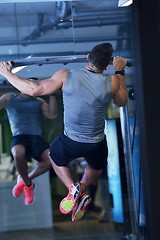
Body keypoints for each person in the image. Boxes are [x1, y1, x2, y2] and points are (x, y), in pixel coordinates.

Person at [0, 43, 128, 220]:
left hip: (71, 141)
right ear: (107, 66)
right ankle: (81, 187)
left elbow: (34, 89)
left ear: (87, 57)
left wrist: (7, 73)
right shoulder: (112, 81)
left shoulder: (66, 75)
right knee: (97, 167)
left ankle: (73, 188)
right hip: (96, 142)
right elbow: (122, 102)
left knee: (53, 156)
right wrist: (120, 72)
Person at [0, 88, 58, 205]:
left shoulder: (39, 101)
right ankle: (27, 185)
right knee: (18, 154)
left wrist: (52, 94)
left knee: (51, 159)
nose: (32, 87)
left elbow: (52, 115)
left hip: (36, 137)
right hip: (19, 136)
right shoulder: (10, 98)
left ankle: (24, 181)